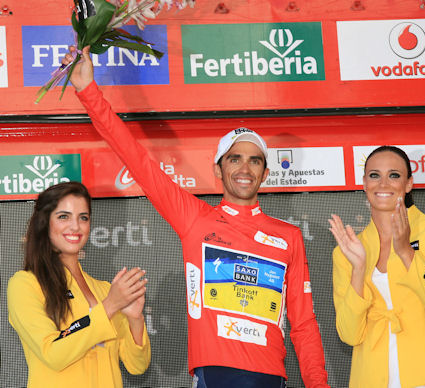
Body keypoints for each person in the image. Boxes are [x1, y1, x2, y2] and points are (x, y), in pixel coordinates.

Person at [62, 46, 330, 388]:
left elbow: (304, 324)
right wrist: (88, 90)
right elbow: (136, 158)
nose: (244, 168)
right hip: (212, 375)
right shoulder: (195, 218)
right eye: (234, 159)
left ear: (265, 173)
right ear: (218, 170)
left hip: (270, 377)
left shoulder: (288, 236)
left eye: (255, 161)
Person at [329, 146, 425, 388]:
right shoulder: (347, 250)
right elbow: (349, 334)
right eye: (374, 175)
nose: (383, 184)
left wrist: (406, 252)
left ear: (408, 183)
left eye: (394, 175)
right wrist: (359, 269)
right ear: (364, 183)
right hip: (372, 379)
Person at [7, 182, 151, 388]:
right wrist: (110, 306)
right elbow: (53, 354)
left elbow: (137, 366)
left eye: (83, 217)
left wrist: (135, 318)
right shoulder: (25, 284)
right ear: (44, 223)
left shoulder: (104, 289)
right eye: (63, 216)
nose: (75, 226)